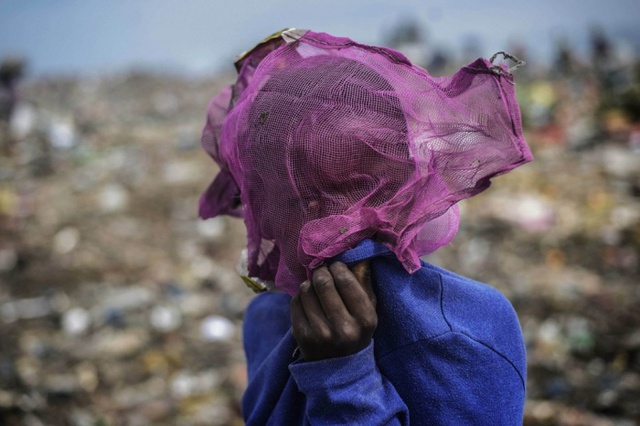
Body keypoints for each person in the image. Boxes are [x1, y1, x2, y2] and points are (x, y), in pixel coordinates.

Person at [200, 29, 532, 425]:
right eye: (289, 197)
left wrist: (343, 377)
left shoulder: (464, 332)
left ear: (402, 184)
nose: (322, 223)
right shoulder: (270, 320)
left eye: (350, 187)